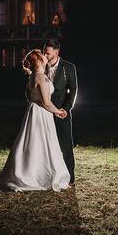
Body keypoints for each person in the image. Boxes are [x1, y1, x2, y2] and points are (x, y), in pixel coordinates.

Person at [0, 49, 72, 192]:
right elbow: (46, 102)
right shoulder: (40, 78)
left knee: (33, 142)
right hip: (41, 113)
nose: (46, 56)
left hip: (35, 112)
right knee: (40, 142)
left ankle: (30, 170)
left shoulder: (34, 77)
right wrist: (58, 111)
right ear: (40, 60)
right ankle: (38, 175)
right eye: (43, 56)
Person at [42, 37, 78, 184]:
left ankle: (70, 177)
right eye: (44, 52)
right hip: (43, 113)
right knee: (46, 146)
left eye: (48, 53)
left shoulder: (68, 67)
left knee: (66, 146)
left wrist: (66, 109)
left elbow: (73, 89)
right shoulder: (41, 67)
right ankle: (48, 175)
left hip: (62, 113)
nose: (45, 56)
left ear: (57, 52)